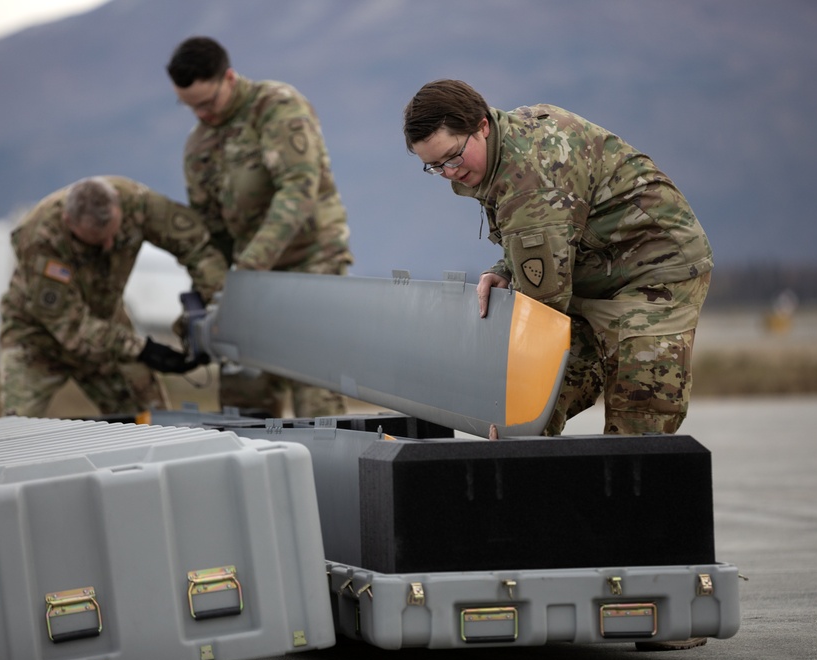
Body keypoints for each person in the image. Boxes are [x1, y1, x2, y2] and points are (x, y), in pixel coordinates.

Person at [403, 79, 713, 441]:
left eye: (453, 157)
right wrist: (506, 269)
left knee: (638, 426)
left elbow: (542, 310)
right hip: (589, 270)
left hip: (655, 273)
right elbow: (550, 230)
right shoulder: (497, 152)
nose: (451, 173)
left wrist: (504, 396)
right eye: (435, 167)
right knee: (530, 413)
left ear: (482, 126)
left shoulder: (530, 173)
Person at [165, 36, 354, 419]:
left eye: (207, 103)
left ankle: (328, 475)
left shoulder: (277, 107)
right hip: (248, 277)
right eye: (190, 107)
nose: (201, 114)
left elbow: (298, 189)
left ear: (229, 78)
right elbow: (210, 228)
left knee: (315, 387)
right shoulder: (199, 145)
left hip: (310, 261)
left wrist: (247, 269)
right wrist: (212, 290)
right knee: (244, 396)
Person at [0, 175, 227, 417]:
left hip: (106, 324)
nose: (109, 246)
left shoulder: (137, 204)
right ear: (68, 222)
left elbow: (198, 246)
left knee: (151, 421)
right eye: (96, 243)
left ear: (117, 205)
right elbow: (71, 328)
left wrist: (207, 306)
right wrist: (144, 349)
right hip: (37, 337)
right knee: (16, 430)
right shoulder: (40, 239)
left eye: (114, 235)